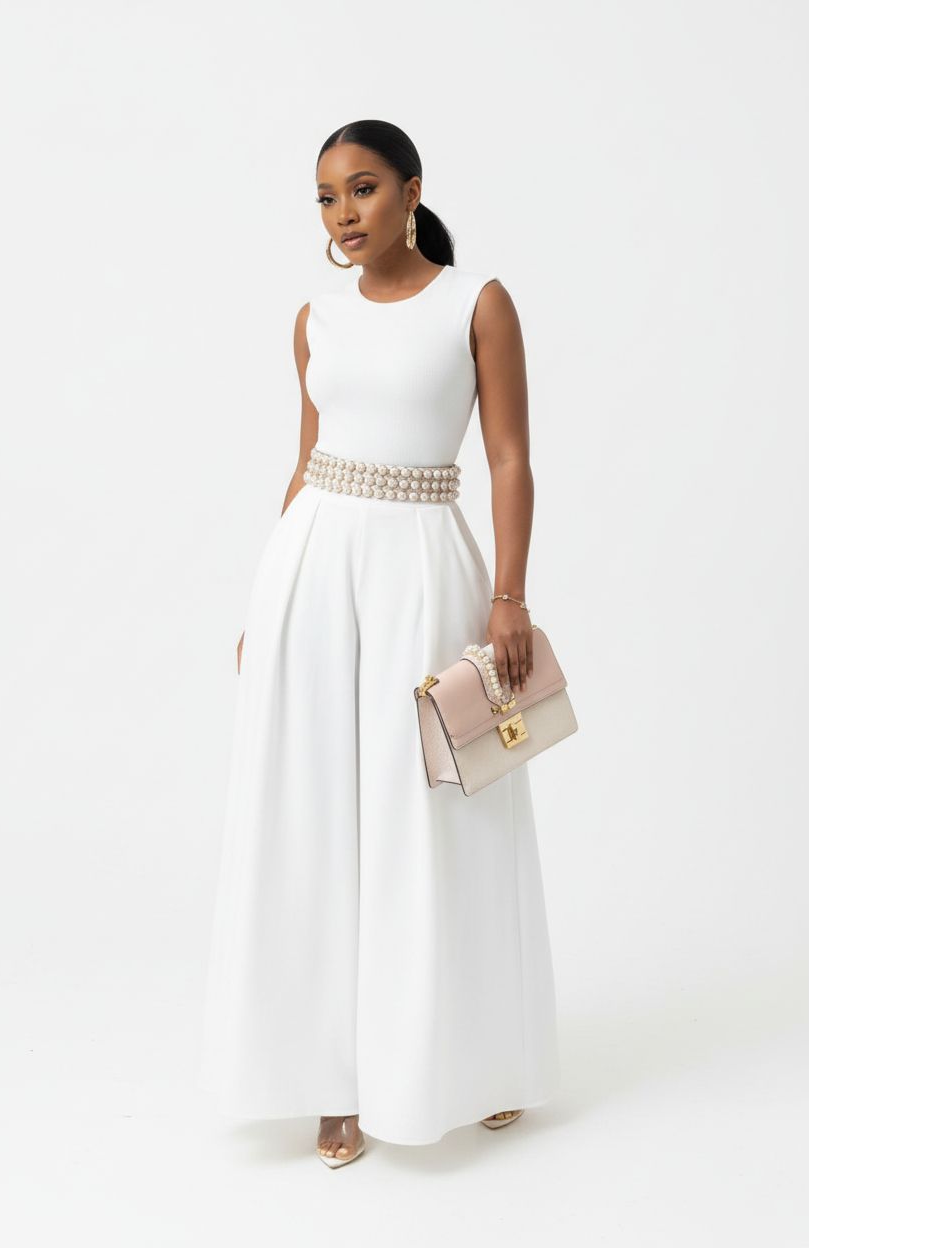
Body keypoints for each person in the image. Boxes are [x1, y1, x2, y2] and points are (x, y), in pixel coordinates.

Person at [197, 119, 559, 1168]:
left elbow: (509, 457)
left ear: (411, 190)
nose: (343, 212)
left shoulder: (476, 302)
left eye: (362, 188)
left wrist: (509, 596)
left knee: (443, 811)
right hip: (313, 569)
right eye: (326, 197)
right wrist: (266, 605)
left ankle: (477, 1060)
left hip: (425, 572)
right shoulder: (315, 318)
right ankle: (332, 1077)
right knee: (314, 812)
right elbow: (306, 460)